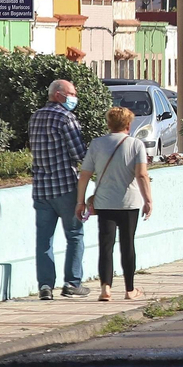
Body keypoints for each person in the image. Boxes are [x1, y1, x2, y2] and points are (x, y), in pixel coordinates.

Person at [77, 107, 153, 301]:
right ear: (128, 124)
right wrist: (148, 200)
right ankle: (129, 289)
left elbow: (84, 175)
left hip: (104, 203)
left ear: (109, 124)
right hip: (129, 202)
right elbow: (142, 175)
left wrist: (80, 202)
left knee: (106, 245)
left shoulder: (97, 144)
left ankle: (105, 288)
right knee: (127, 245)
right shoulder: (136, 145)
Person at [29, 79, 89, 299]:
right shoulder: (66, 118)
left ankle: (45, 286)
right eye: (71, 93)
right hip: (64, 186)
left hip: (41, 188)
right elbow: (79, 153)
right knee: (74, 234)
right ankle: (72, 283)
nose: (74, 97)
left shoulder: (35, 117)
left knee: (44, 239)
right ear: (58, 94)